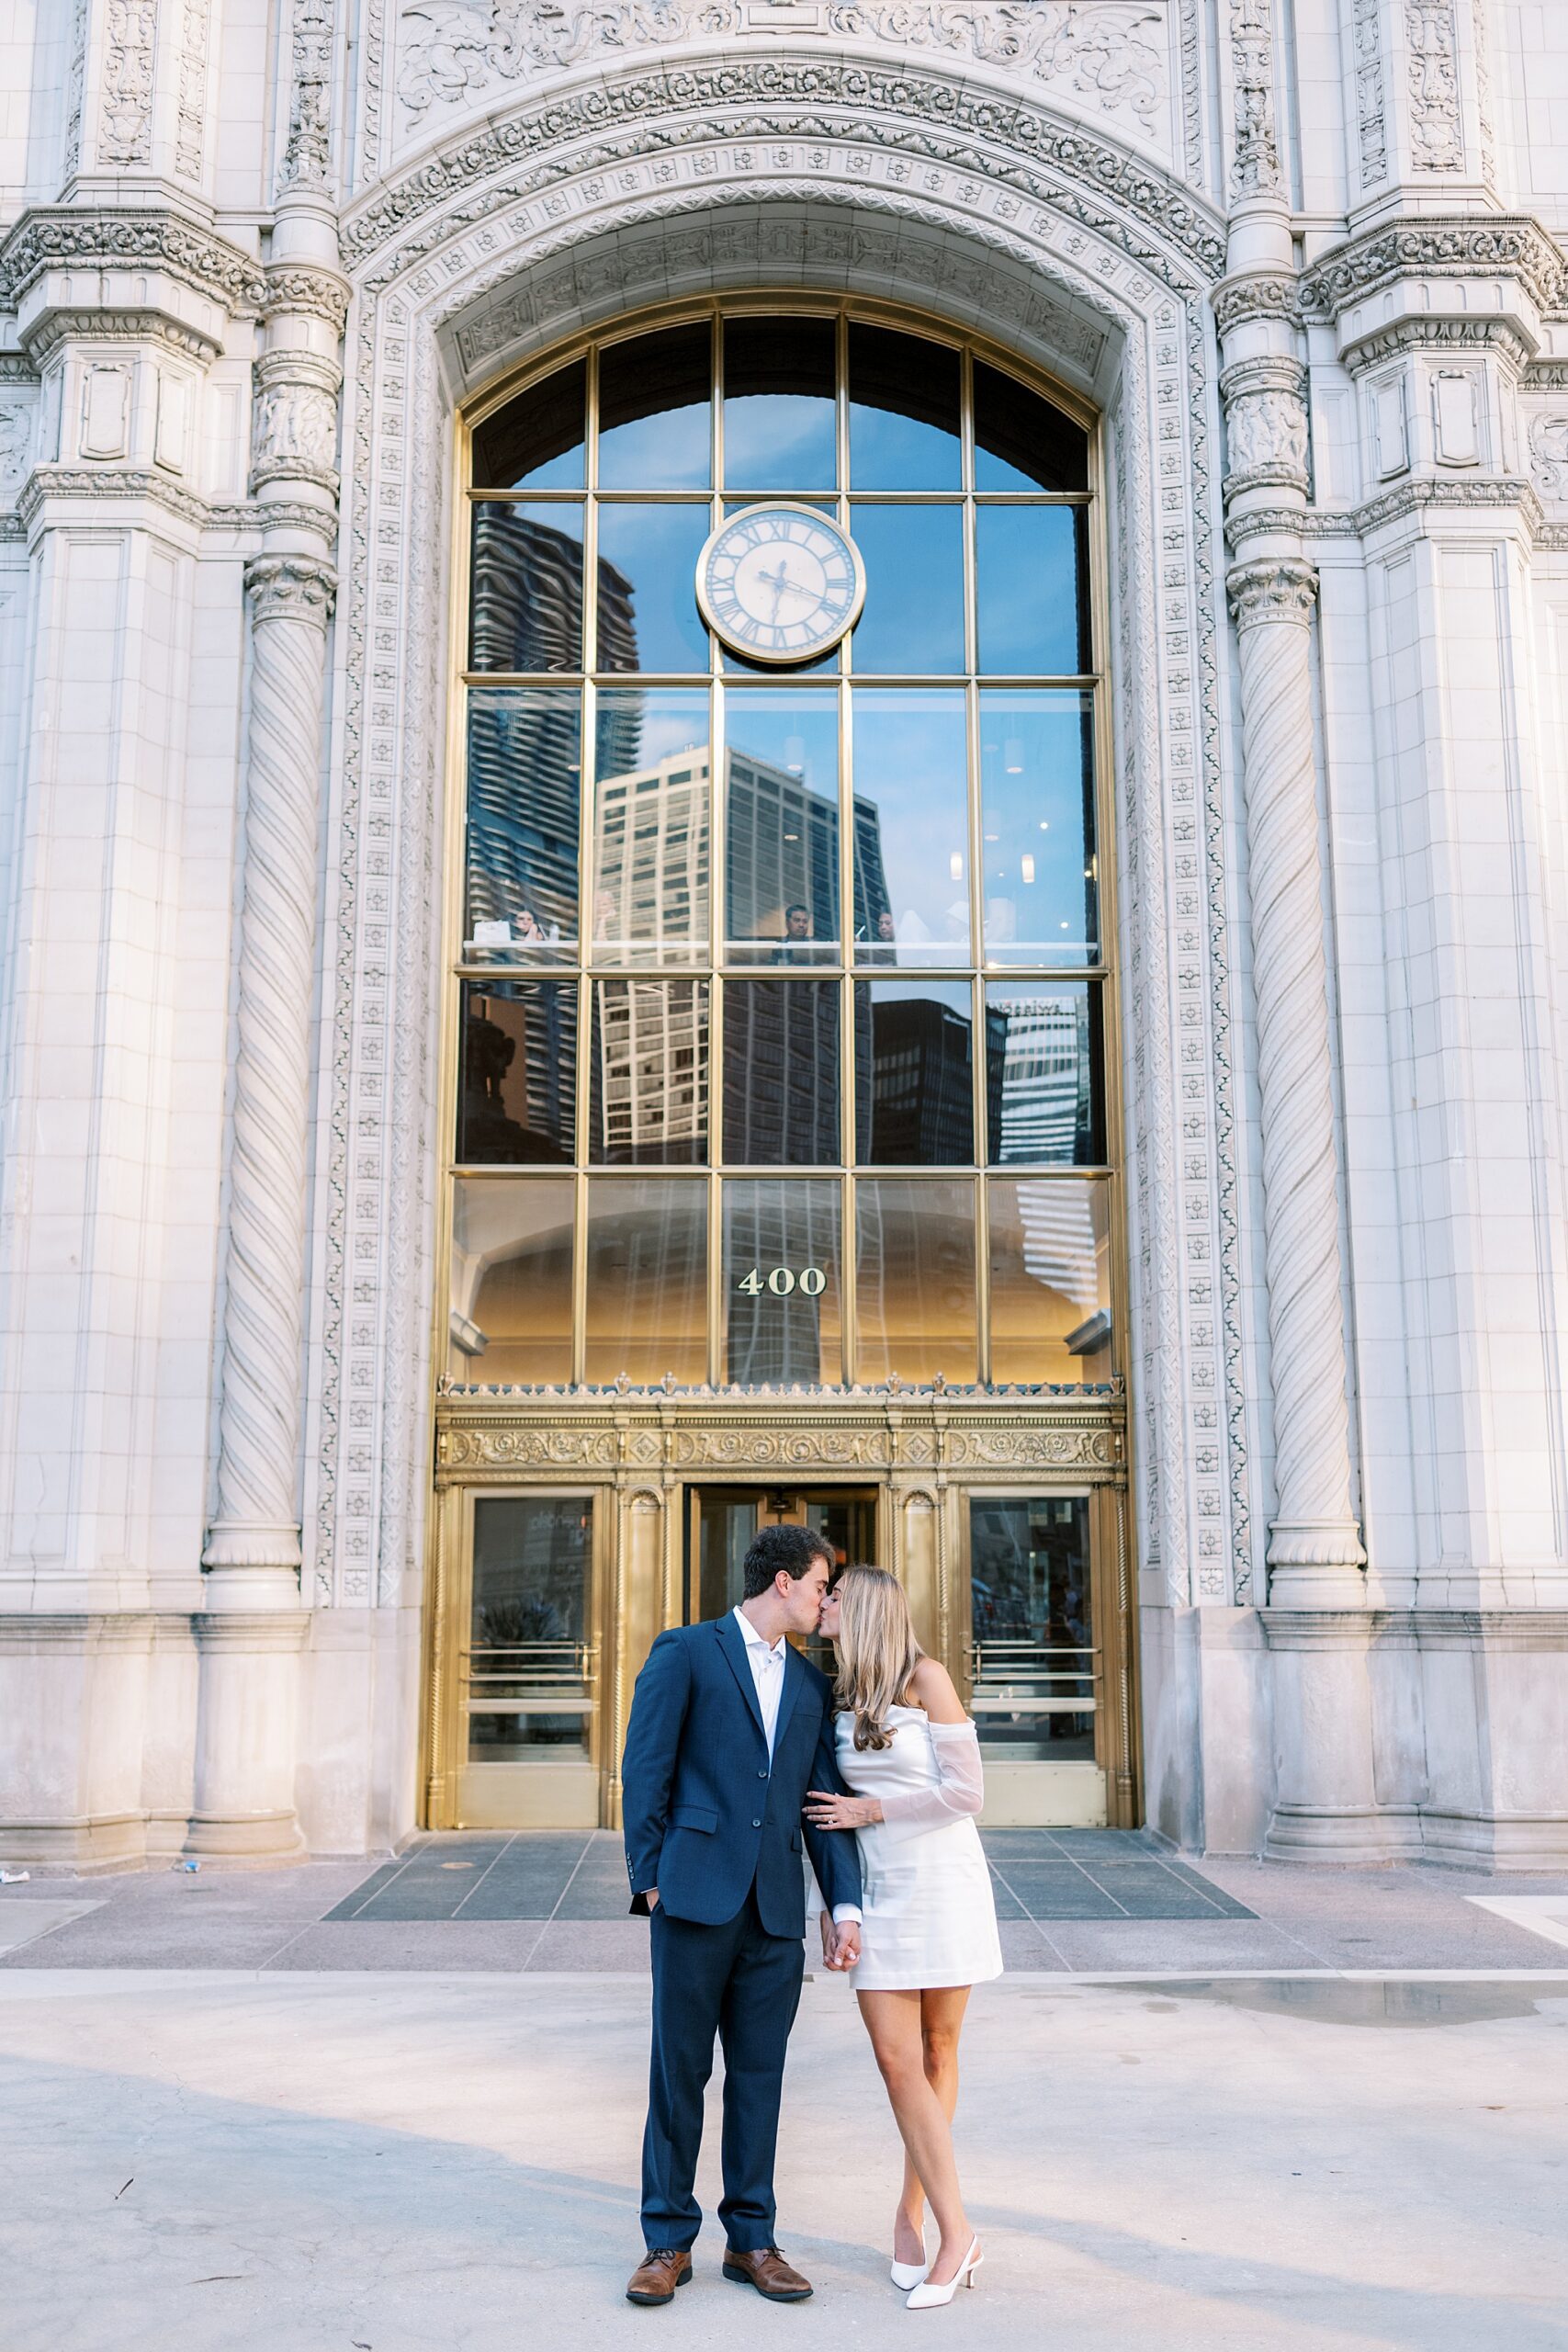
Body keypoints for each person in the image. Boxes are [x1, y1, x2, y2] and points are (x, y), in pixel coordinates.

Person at [620, 1524, 864, 2308]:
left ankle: (752, 2240)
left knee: (760, 2078)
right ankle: (666, 2242)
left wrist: (843, 1905)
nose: (827, 1600)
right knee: (678, 2073)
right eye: (823, 1585)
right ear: (785, 1581)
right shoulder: (686, 1651)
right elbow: (644, 1766)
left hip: (772, 1909)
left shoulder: (809, 1685)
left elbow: (819, 1804)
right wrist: (650, 1878)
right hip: (691, 1897)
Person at [806, 1565, 1002, 2310]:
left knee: (936, 2051)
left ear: (860, 1611)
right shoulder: (831, 1696)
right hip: (879, 1893)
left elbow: (967, 1794)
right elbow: (820, 1813)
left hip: (944, 1885)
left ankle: (920, 2217)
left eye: (831, 1597)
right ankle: (960, 2231)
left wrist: (873, 1813)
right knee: (896, 2061)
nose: (820, 1604)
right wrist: (834, 1903)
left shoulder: (927, 1678)